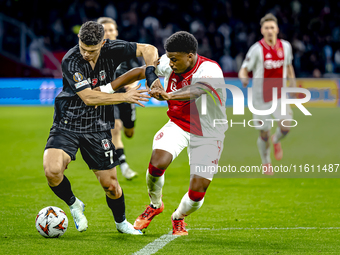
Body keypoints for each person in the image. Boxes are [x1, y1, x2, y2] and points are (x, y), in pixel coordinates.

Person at [43, 21, 160, 235]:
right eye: (83, 48)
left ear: (102, 43)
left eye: (91, 50)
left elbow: (149, 49)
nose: (86, 54)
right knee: (52, 171)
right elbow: (88, 97)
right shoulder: (71, 59)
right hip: (67, 122)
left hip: (97, 126)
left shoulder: (112, 49)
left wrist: (151, 73)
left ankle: (122, 223)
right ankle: (73, 203)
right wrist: (124, 96)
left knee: (111, 186)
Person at [133, 31, 228, 235]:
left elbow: (197, 90)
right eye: (169, 58)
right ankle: (155, 205)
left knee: (197, 193)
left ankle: (178, 217)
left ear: (190, 56)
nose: (170, 63)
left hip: (208, 133)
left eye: (175, 59)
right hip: (178, 124)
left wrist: (168, 94)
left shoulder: (210, 69)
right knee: (157, 163)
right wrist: (110, 88)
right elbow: (142, 71)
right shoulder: (169, 62)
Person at [238, 13, 296, 174]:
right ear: (262, 30)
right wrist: (243, 78)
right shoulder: (256, 49)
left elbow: (289, 65)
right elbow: (244, 69)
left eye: (272, 27)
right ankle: (266, 162)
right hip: (260, 99)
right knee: (264, 133)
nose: (270, 30)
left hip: (279, 96)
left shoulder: (286, 47)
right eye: (266, 28)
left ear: (277, 29)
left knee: (285, 127)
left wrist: (293, 82)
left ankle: (276, 139)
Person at [97, 17, 139, 180]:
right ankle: (124, 165)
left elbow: (137, 71)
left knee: (129, 132)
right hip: (108, 97)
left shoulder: (126, 50)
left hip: (127, 97)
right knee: (116, 128)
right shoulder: (94, 53)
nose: (107, 33)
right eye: (104, 30)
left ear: (116, 32)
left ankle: (120, 159)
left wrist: (133, 85)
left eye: (110, 30)